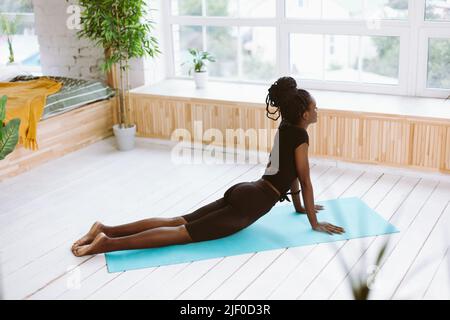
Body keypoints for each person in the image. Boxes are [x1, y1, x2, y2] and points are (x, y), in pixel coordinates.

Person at [71, 76, 345, 257]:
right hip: (252, 204)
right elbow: (305, 181)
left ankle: (105, 228)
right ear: (305, 115)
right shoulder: (301, 136)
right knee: (180, 234)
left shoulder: (285, 128)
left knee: (177, 221)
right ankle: (107, 243)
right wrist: (314, 221)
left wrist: (298, 207)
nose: (318, 111)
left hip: (246, 189)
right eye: (315, 107)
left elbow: (290, 174)